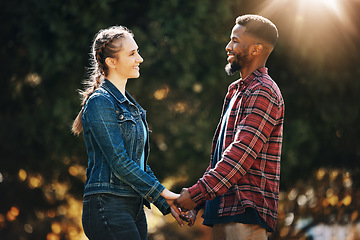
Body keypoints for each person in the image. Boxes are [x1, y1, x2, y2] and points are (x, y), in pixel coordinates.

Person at [175, 14, 284, 239]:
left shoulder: (263, 91)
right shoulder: (237, 91)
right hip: (225, 212)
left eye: (235, 40)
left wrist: (194, 194)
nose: (228, 47)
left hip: (244, 214)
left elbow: (239, 157)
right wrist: (198, 202)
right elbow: (220, 159)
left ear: (256, 49)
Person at [72, 26, 183, 240]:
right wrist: (165, 193)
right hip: (107, 205)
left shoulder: (133, 107)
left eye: (137, 51)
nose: (139, 59)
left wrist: (164, 203)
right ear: (111, 62)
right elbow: (120, 162)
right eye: (132, 54)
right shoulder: (100, 102)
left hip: (134, 206)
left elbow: (138, 163)